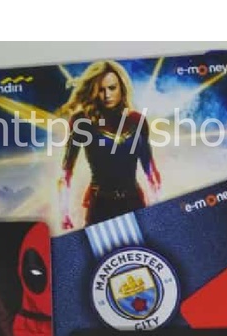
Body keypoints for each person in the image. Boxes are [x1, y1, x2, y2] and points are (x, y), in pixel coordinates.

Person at [58, 60, 160, 229]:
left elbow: (150, 170)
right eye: (101, 90)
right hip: (100, 205)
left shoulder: (137, 120)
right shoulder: (82, 122)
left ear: (122, 87)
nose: (107, 95)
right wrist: (64, 213)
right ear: (93, 91)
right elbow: (66, 172)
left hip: (134, 201)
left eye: (112, 88)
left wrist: (157, 206)